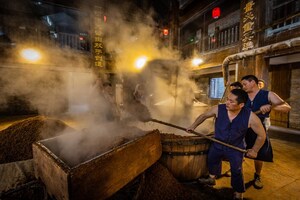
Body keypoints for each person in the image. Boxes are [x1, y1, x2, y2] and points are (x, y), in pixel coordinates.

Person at [187, 89, 266, 200]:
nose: (227, 103)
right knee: (212, 160)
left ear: (241, 104)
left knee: (236, 170)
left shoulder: (250, 117)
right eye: (227, 99)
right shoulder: (219, 109)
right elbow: (203, 116)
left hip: (236, 147)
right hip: (217, 143)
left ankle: (238, 192)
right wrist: (193, 126)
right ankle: (211, 178)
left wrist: (254, 150)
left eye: (231, 101)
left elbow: (262, 135)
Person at [241, 75, 291, 189]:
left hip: (258, 127)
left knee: (258, 153)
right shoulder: (243, 96)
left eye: (245, 84)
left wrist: (271, 107)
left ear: (252, 82)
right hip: (242, 126)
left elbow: (287, 107)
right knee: (238, 150)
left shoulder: (268, 94)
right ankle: (236, 172)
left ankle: (257, 175)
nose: (243, 87)